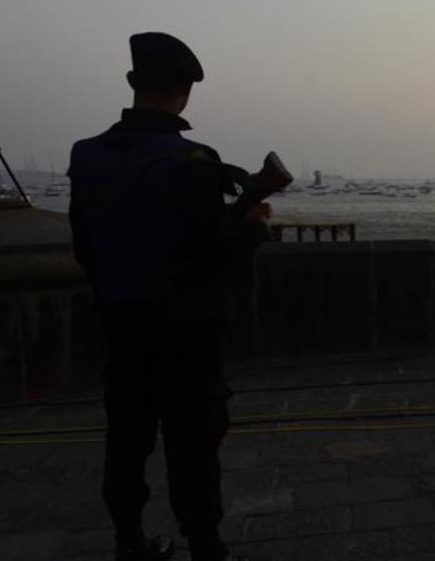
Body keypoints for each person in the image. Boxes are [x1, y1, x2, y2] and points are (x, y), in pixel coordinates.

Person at [68, 32, 283, 561]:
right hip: (187, 330)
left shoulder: (87, 155)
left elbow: (85, 244)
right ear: (186, 91)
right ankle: (206, 546)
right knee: (192, 445)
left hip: (121, 322)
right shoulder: (193, 160)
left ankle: (129, 541)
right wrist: (253, 224)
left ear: (131, 82)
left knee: (126, 439)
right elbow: (211, 250)